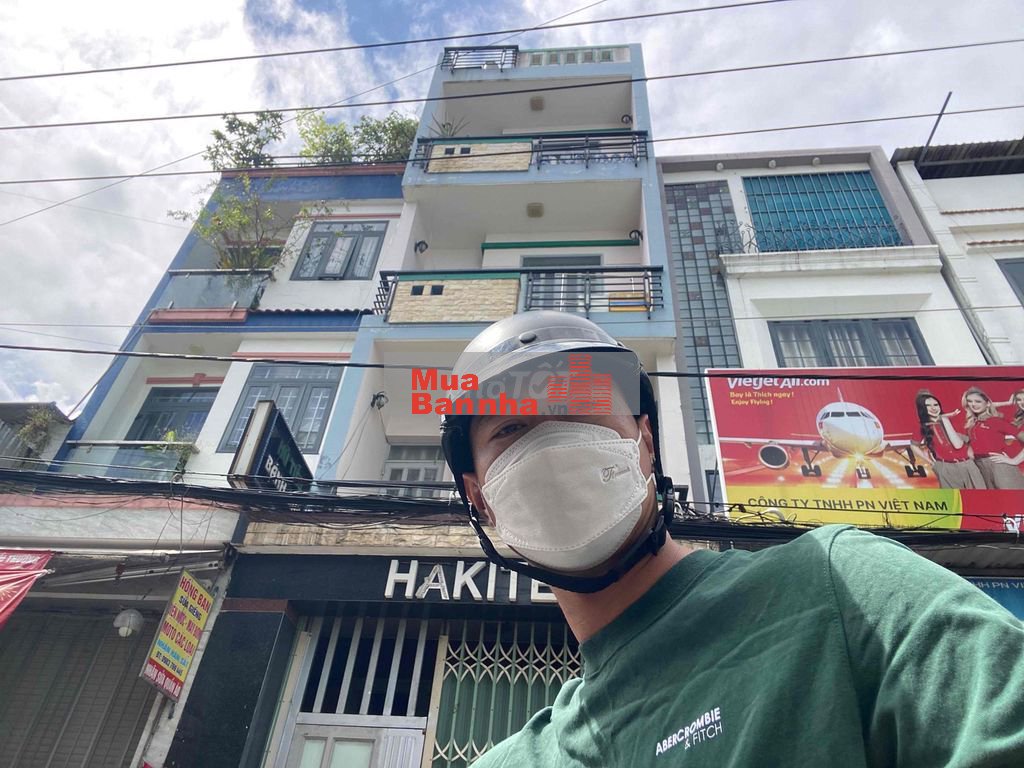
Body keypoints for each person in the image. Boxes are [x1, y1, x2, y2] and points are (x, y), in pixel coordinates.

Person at [440, 312, 1024, 768]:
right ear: (479, 497)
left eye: (577, 410)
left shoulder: (843, 588)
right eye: (512, 427)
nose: (552, 447)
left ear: (645, 444)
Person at [913, 389, 985, 488]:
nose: (933, 408)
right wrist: (931, 462)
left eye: (935, 405)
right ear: (922, 408)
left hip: (967, 465)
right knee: (954, 497)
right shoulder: (922, 427)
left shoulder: (952, 420)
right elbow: (913, 445)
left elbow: (959, 445)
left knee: (979, 495)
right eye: (928, 406)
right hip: (945, 468)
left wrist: (944, 418)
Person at [962, 386, 1024, 490]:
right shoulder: (972, 424)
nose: (973, 404)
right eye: (970, 401)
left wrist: (1015, 460)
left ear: (987, 403)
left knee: (1011, 498)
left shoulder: (995, 421)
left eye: (978, 401)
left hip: (999, 466)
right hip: (980, 467)